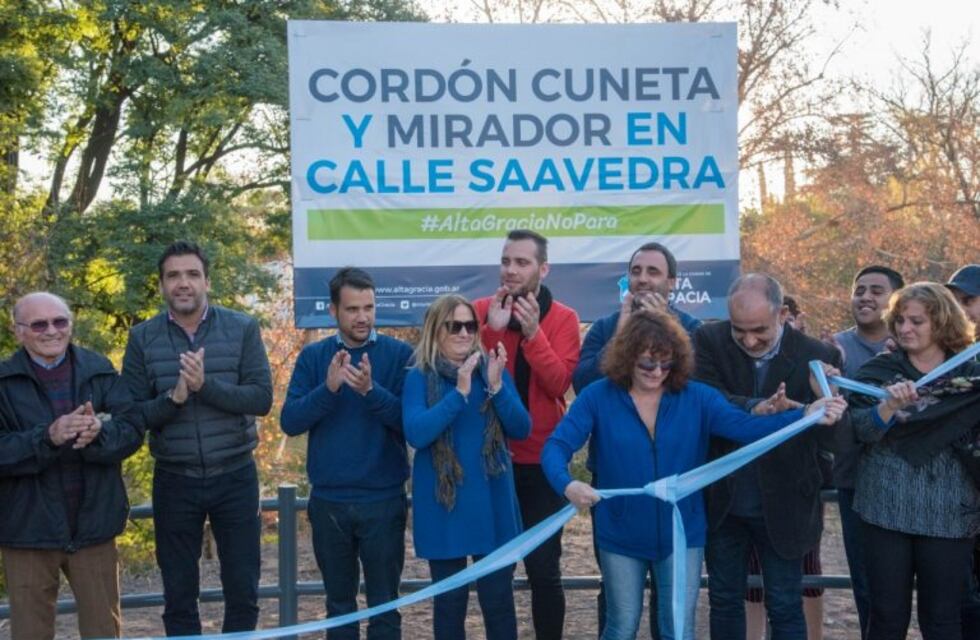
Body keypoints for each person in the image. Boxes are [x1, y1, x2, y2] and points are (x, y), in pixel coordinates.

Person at [541, 310, 847, 640]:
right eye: (646, 364)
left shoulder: (696, 396)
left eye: (666, 363)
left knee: (678, 627)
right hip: (620, 532)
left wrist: (805, 414)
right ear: (626, 357)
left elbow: (747, 428)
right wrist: (567, 483)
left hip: (683, 533)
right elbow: (556, 447)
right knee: (621, 624)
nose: (657, 372)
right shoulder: (597, 397)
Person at [121, 240, 273, 636]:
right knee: (178, 593)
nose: (183, 283)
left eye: (192, 274)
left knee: (243, 589)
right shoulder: (142, 338)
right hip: (175, 478)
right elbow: (133, 414)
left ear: (207, 281)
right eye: (173, 276)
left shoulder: (242, 328)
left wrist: (205, 387)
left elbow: (261, 399)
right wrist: (175, 398)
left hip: (236, 475)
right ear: (161, 286)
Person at [694, 274, 844, 640]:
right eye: (739, 330)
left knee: (785, 603)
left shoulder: (818, 355)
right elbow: (703, 396)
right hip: (724, 501)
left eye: (759, 329)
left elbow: (837, 434)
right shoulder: (706, 340)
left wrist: (819, 402)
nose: (749, 340)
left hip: (787, 502)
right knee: (724, 599)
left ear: (782, 314)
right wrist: (753, 408)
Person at [573, 241, 702, 640]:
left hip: (676, 493)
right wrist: (627, 331)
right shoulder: (606, 326)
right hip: (617, 490)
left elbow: (699, 390)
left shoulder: (694, 330)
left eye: (653, 272)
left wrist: (668, 332)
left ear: (672, 282)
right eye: (636, 270)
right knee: (618, 608)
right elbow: (583, 385)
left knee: (673, 612)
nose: (643, 279)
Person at [0, 292, 144, 640]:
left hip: (94, 525)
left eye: (59, 321)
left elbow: (133, 429)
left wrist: (99, 434)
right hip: (28, 532)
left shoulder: (100, 370)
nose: (51, 330)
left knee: (103, 631)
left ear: (70, 325)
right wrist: (47, 437)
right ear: (19, 331)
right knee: (30, 633)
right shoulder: (3, 383)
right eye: (39, 324)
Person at [280, 267, 413, 638]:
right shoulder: (313, 358)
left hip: (383, 500)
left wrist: (372, 392)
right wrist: (328, 389)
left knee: (385, 604)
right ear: (333, 311)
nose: (363, 317)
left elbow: (410, 424)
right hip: (330, 503)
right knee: (338, 607)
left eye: (369, 307)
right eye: (353, 309)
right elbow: (290, 422)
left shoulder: (399, 354)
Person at [848, 282, 980, 639]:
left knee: (942, 619)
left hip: (951, 511)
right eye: (900, 321)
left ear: (941, 322)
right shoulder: (880, 372)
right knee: (887, 617)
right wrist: (888, 407)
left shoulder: (971, 373)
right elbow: (857, 430)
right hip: (885, 507)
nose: (906, 329)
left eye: (917, 321)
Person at [402, 294, 531, 640]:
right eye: (454, 325)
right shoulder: (419, 377)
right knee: (449, 607)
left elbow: (521, 428)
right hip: (445, 506)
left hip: (492, 503)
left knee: (499, 602)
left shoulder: (491, 369)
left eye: (470, 325)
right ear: (435, 330)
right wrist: (457, 395)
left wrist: (497, 386)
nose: (463, 333)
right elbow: (417, 433)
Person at [473, 229, 580, 639]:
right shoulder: (481, 309)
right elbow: (475, 382)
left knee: (543, 570)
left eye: (522, 262)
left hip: (541, 462)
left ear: (543, 268)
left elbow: (558, 384)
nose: (511, 270)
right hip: (491, 460)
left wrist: (533, 334)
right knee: (495, 569)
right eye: (506, 261)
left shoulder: (565, 318)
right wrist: (493, 332)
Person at [828, 265, 904, 638]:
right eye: (860, 290)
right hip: (855, 481)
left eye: (877, 290)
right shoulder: (833, 349)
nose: (866, 297)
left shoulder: (916, 344)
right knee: (867, 584)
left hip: (910, 482)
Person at [946, 264, 980, 637]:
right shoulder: (944, 356)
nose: (961, 310)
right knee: (963, 599)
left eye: (968, 300)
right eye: (953, 302)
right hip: (958, 500)